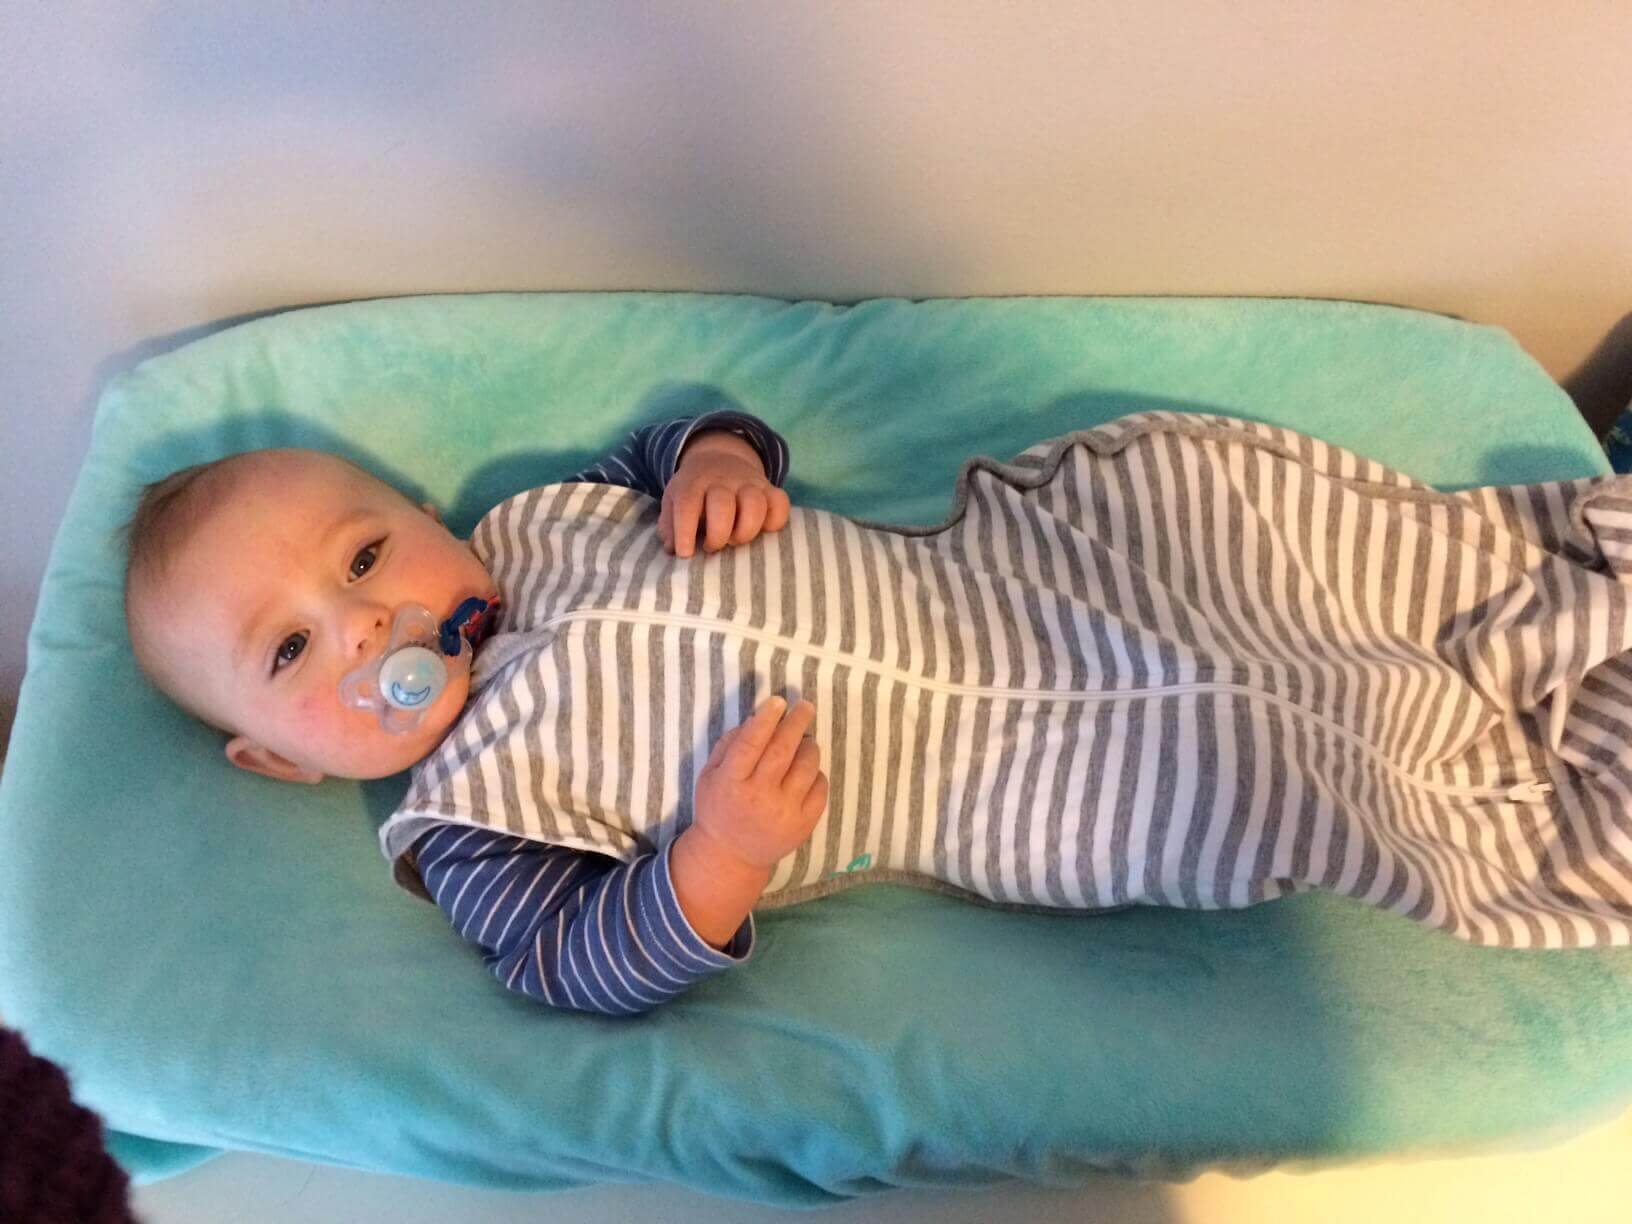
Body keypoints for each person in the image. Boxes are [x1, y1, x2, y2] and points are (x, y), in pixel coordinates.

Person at [122, 408, 1632, 1016]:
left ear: (419, 517)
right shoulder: (468, 822)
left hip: (998, 585)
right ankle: (1509, 780)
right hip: (997, 775)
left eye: (366, 556)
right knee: (1258, 762)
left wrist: (716, 465)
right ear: (279, 760)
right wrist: (716, 856)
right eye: (293, 648)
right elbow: (572, 965)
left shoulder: (537, 523)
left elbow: (675, 440)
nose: (368, 623)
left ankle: (1523, 588)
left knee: (1210, 529)